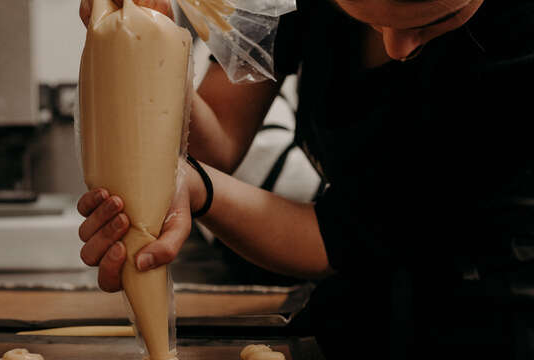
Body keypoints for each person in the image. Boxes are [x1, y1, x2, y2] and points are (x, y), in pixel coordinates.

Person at [76, 0, 534, 358]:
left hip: (492, 308)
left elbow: (340, 238)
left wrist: (197, 188)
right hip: (362, 301)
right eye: (369, 18)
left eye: (436, 18)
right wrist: (150, 39)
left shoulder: (519, 42)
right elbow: (217, 139)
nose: (397, 49)